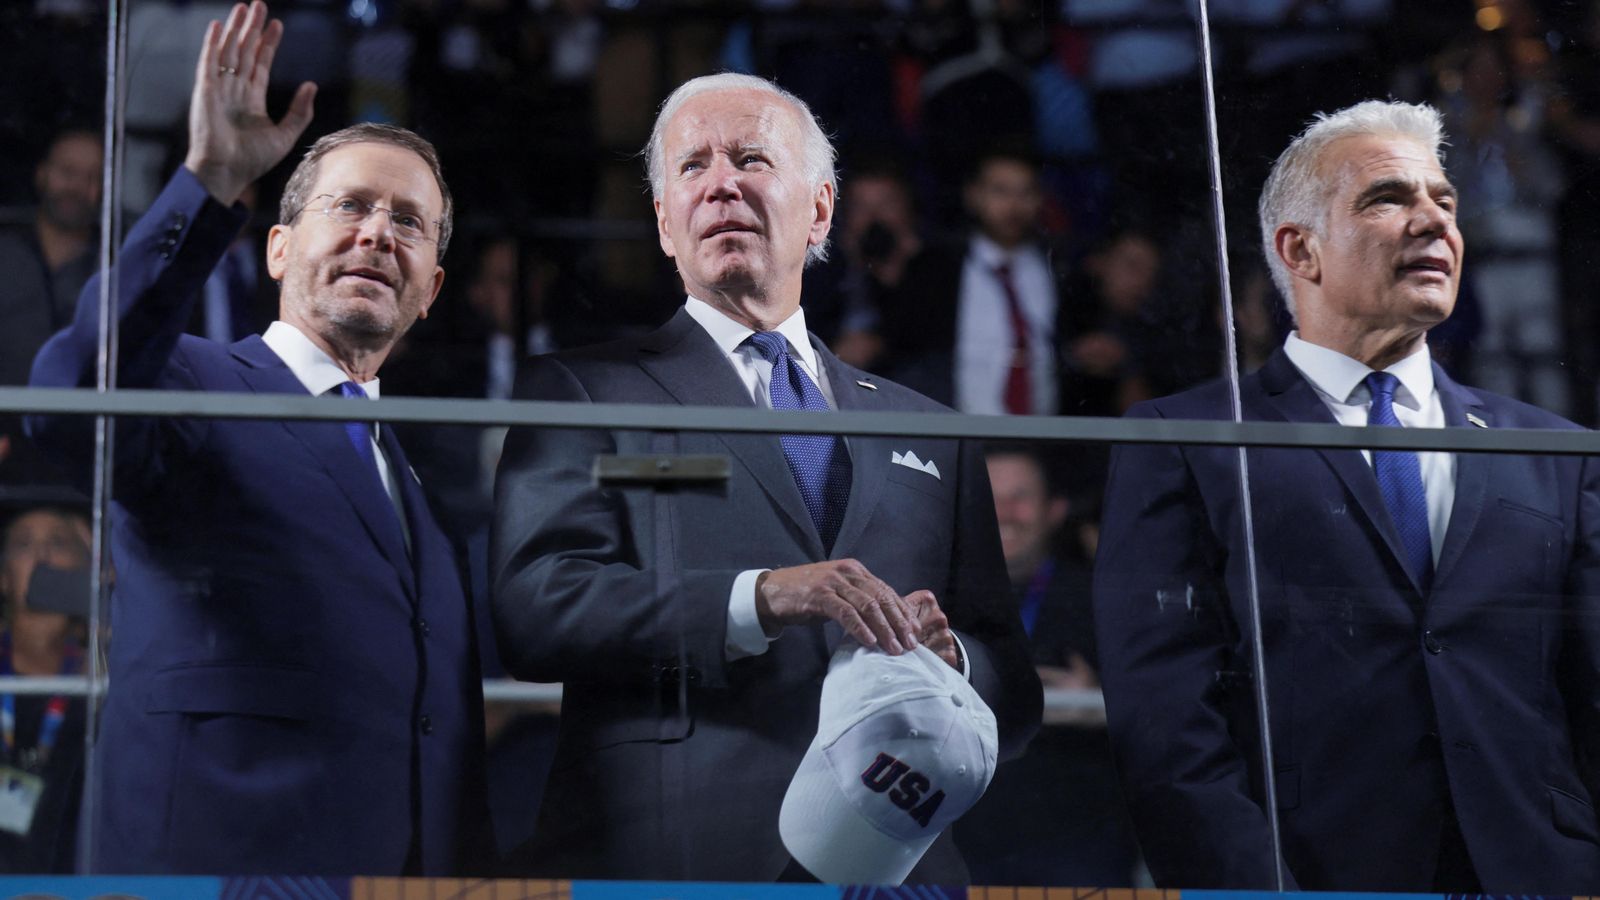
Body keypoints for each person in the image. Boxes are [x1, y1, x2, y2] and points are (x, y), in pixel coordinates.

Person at [491, 72, 1041, 883]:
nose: (721, 183)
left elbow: (1016, 693)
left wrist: (950, 659)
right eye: (692, 167)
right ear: (663, 225)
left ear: (820, 209)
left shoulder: (929, 429)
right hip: (675, 855)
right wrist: (760, 597)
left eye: (751, 158)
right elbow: (535, 609)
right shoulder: (583, 391)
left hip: (894, 865)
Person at [1093, 99, 1600, 892]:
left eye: (1445, 200)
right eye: (1389, 198)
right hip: (1310, 876)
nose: (1433, 222)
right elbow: (1165, 721)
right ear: (1301, 249)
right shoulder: (1186, 440)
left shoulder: (1555, 451)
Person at [27, 1, 486, 875]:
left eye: (408, 222)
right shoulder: (196, 383)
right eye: (350, 205)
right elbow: (71, 393)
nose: (377, 233)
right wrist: (206, 181)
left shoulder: (413, 469)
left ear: (430, 289)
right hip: (213, 876)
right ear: (277, 250)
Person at [953, 446, 1138, 886]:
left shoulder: (1108, 600)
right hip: (960, 834)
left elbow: (1168, 714)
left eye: (1020, 497)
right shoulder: (935, 596)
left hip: (1080, 834)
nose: (1005, 512)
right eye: (992, 498)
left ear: (1054, 510)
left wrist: (1099, 702)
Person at [882, 145, 1065, 415]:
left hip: (1047, 439)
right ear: (973, 195)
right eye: (1000, 190)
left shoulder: (1058, 268)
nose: (1013, 205)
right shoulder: (937, 268)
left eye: (1025, 192)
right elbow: (908, 351)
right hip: (954, 436)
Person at [0, 128, 103, 485]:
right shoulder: (5, 252)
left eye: (93, 176)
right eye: (67, 172)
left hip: (89, 450)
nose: (77, 186)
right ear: (42, 173)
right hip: (6, 444)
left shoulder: (116, 263)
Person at [0, 500, 89, 873]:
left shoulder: (101, 671)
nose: (41, 555)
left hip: (76, 870)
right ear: (3, 576)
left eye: (58, 543)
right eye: (22, 545)